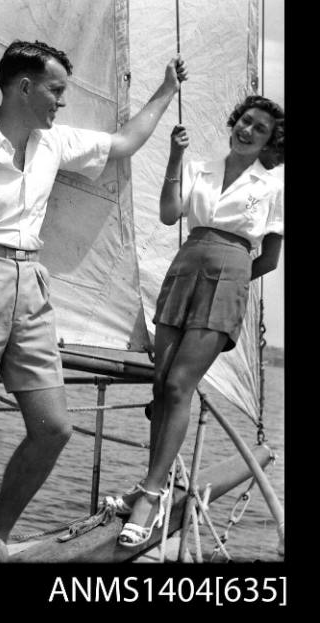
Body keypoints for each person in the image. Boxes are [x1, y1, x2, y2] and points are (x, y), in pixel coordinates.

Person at [0, 39, 188, 562]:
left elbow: (123, 143)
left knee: (54, 428)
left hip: (32, 283)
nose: (61, 102)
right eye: (55, 90)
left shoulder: (54, 143)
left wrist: (166, 90)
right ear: (24, 86)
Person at [105, 95, 284, 548]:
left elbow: (270, 259)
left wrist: (233, 276)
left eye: (259, 129)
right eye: (245, 121)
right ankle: (156, 485)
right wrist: (175, 155)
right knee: (161, 382)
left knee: (179, 386)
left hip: (227, 279)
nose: (248, 131)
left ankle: (148, 496)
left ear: (268, 142)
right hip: (184, 269)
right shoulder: (199, 166)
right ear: (234, 121)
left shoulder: (275, 186)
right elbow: (169, 214)